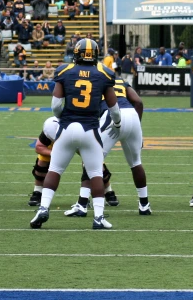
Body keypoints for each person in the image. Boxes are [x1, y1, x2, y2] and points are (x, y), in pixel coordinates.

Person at [30, 38, 119, 230]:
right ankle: (99, 217)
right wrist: (117, 123)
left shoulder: (65, 71)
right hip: (90, 130)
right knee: (95, 173)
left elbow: (55, 105)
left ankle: (43, 208)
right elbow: (114, 108)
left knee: (55, 170)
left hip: (67, 128)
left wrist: (64, 117)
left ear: (76, 54)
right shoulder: (103, 73)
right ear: (95, 55)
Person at [65, 78, 150, 217]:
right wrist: (137, 128)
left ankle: (82, 204)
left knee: (91, 159)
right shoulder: (121, 81)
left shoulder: (94, 80)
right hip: (132, 116)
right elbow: (138, 102)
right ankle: (144, 204)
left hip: (112, 116)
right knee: (136, 162)